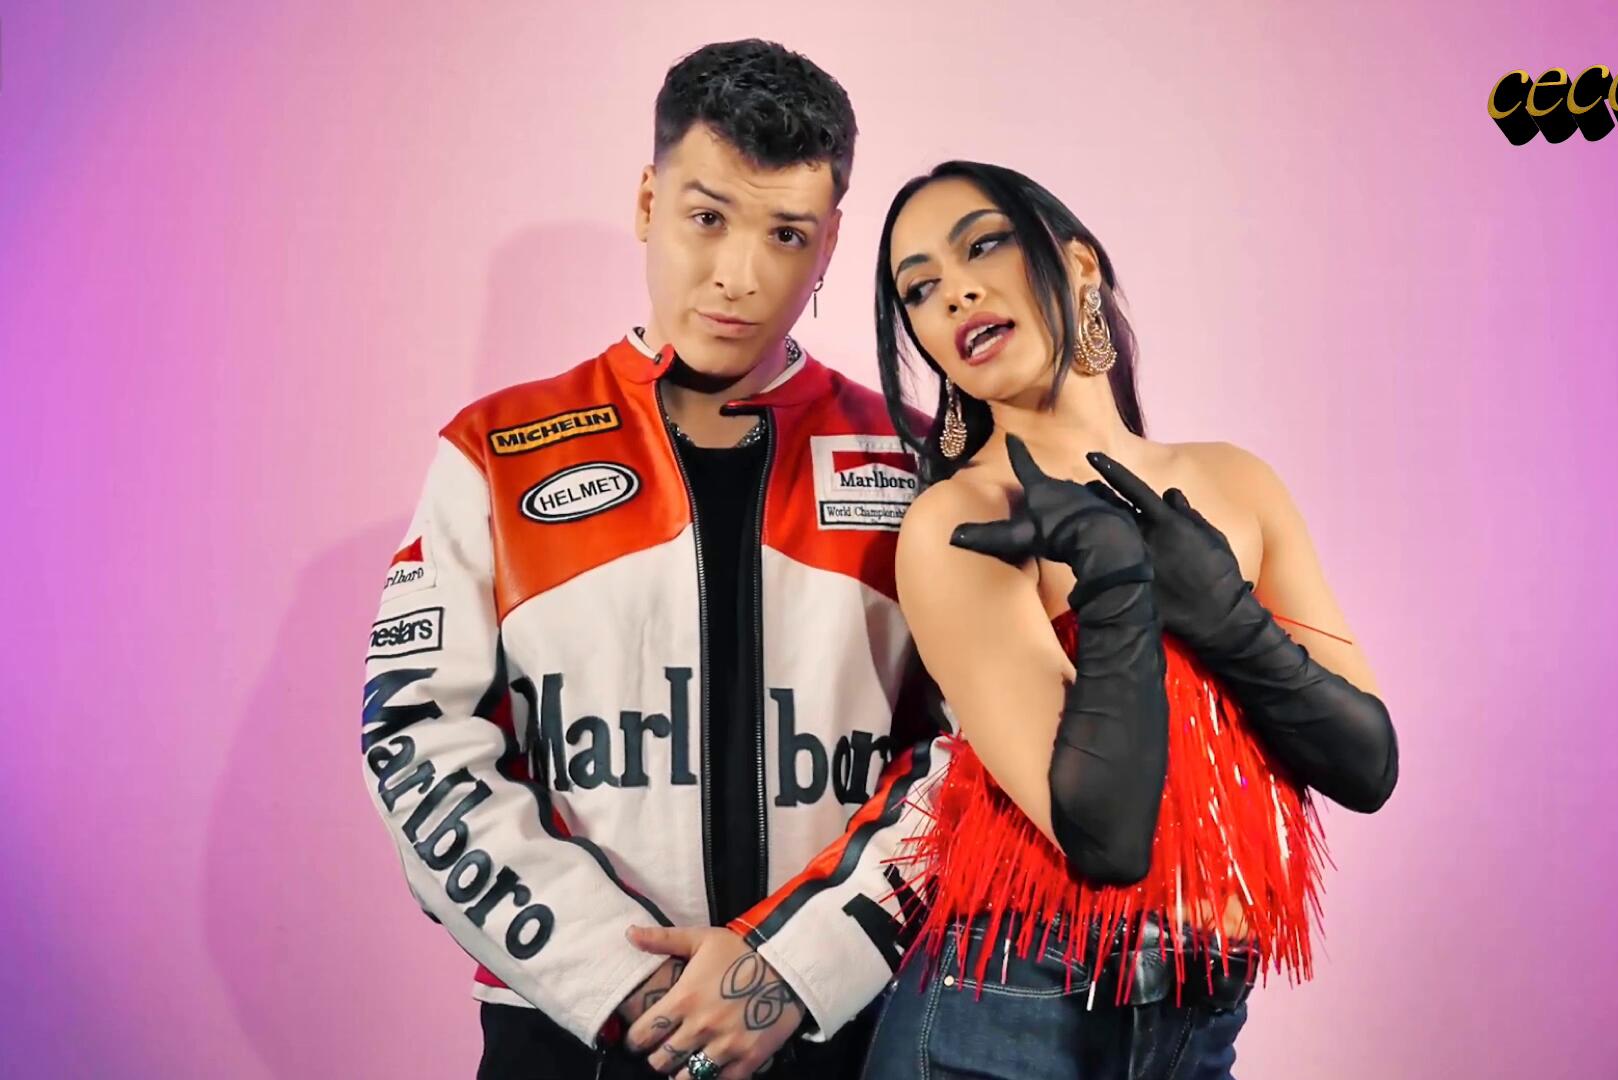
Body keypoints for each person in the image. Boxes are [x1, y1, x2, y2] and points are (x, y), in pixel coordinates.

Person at [358, 41, 950, 1080]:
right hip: (572, 1034)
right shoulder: (494, 449)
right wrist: (629, 983)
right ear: (647, 201)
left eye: (786, 235)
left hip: (841, 1033)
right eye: (706, 217)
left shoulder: (918, 459)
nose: (738, 276)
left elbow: (975, 756)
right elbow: (415, 739)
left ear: (830, 244)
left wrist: (795, 969)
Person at [856, 161, 1401, 1079]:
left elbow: (1366, 763)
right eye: (919, 289)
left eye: (983, 245)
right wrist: (1113, 578)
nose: (954, 292)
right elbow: (1104, 834)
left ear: (1079, 265)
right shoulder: (964, 520)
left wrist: (1226, 619)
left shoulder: (1236, 481)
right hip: (1009, 1011)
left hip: (1199, 1019)